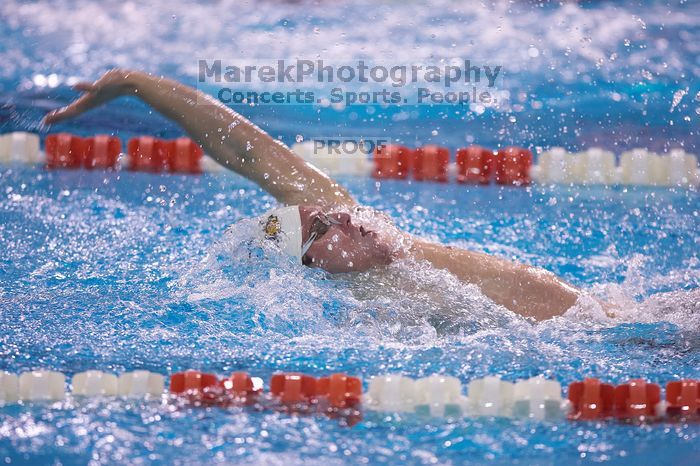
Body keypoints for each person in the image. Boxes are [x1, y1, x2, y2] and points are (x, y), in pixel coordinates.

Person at [43, 68, 594, 321]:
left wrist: (136, 82)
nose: (343, 220)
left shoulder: (364, 228)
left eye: (330, 214)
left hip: (608, 309)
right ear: (310, 268)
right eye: (323, 229)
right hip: (614, 340)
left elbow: (248, 150)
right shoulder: (376, 310)